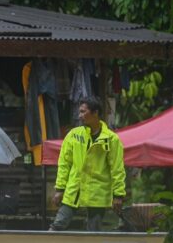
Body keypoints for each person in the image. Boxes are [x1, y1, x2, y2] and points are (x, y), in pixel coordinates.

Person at [49, 97, 125, 231]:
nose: (80, 116)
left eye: (83, 112)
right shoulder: (73, 135)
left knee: (93, 233)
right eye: (80, 112)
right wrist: (60, 189)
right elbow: (64, 164)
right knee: (57, 225)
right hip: (74, 189)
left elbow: (117, 169)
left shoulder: (111, 139)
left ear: (95, 113)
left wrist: (118, 195)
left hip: (97, 192)